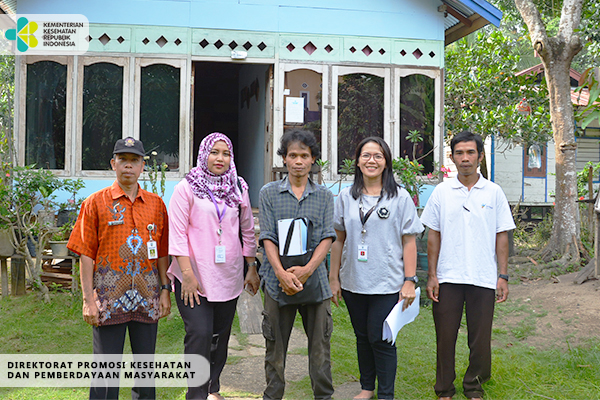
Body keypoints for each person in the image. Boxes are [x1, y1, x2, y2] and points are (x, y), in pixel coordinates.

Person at [67, 136, 170, 400]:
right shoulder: (95, 203)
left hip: (147, 299)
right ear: (113, 164)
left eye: (134, 160)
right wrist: (89, 299)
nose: (128, 166)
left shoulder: (157, 205)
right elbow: (86, 255)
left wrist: (165, 290)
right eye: (123, 159)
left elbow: (161, 252)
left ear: (142, 167)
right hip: (107, 300)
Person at [420, 131, 516, 400]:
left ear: (480, 156)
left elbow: (502, 236)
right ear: (452, 157)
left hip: (483, 277)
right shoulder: (442, 192)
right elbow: (433, 235)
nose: (465, 158)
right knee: (445, 337)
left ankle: (474, 385)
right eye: (459, 153)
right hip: (448, 277)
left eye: (470, 152)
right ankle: (444, 389)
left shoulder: (494, 192)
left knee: (480, 339)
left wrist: (503, 275)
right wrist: (432, 275)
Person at [329, 136, 423, 400]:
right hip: (353, 281)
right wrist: (333, 278)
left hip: (388, 281)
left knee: (380, 338)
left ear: (386, 162)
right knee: (362, 336)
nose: (372, 160)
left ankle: (386, 394)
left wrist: (409, 280)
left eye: (378, 156)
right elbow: (338, 239)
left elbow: (409, 242)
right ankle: (367, 388)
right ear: (357, 162)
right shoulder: (346, 196)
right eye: (366, 155)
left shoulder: (400, 197)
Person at [167, 132, 259, 400]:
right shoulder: (186, 188)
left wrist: (251, 266)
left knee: (220, 336)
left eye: (226, 153)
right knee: (200, 333)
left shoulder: (238, 186)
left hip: (228, 276)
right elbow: (177, 233)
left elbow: (248, 230)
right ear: (203, 153)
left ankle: (212, 388)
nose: (220, 158)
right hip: (193, 276)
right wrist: (187, 274)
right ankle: (195, 394)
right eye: (214, 152)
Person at [258, 128, 336, 400]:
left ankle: (323, 396)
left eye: (304, 155)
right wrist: (280, 273)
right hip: (277, 282)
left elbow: (328, 236)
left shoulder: (325, 196)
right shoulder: (269, 193)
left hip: (315, 282)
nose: (299, 161)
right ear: (285, 159)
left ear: (313, 159)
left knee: (319, 351)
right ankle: (273, 396)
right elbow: (267, 236)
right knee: (275, 350)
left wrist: (306, 270)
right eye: (293, 155)